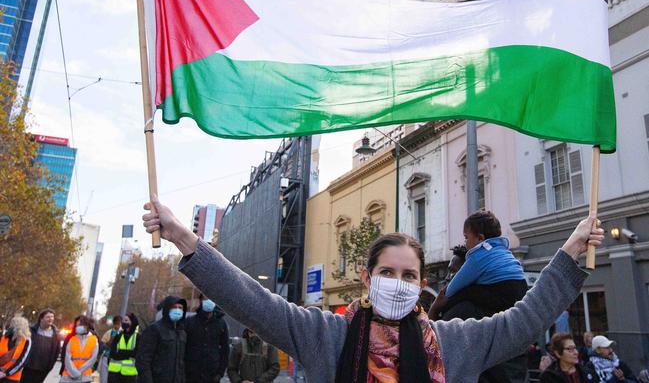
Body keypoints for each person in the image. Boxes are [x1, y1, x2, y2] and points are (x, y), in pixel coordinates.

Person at [142, 195, 604, 383]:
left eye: (408, 276)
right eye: (388, 273)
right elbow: (253, 302)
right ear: (367, 278)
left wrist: (568, 253)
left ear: (422, 285)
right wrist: (187, 239)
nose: (398, 284)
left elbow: (525, 317)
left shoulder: (457, 341)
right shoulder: (328, 334)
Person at [429, 210, 529, 383]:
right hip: (518, 288)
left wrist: (436, 307)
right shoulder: (502, 252)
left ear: (480, 238)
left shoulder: (477, 259)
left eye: (466, 238)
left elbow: (450, 291)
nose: (447, 278)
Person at [136, 296, 187, 383]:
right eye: (174, 307)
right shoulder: (154, 329)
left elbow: (181, 363)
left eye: (180, 308)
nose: (177, 310)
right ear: (167, 308)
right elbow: (143, 360)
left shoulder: (182, 333)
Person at [185, 294, 229, 383]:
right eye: (205, 299)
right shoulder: (190, 321)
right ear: (201, 302)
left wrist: (220, 373)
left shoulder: (221, 323)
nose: (208, 301)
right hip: (191, 374)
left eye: (211, 298)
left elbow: (225, 349)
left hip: (212, 374)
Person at [20, 309, 60, 383]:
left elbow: (56, 352)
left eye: (52, 317)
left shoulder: (56, 334)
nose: (51, 319)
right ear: (41, 318)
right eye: (48, 317)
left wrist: (50, 366)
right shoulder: (32, 331)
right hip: (29, 366)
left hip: (43, 368)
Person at [60, 315, 98, 383]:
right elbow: (67, 358)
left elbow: (92, 359)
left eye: (79, 325)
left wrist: (78, 372)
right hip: (68, 377)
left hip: (84, 378)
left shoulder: (94, 340)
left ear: (87, 326)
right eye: (76, 326)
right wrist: (74, 372)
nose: (77, 328)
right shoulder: (72, 339)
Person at [107, 314, 139, 383]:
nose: (124, 322)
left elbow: (137, 354)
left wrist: (120, 352)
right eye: (123, 320)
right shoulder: (118, 336)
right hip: (114, 374)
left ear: (132, 322)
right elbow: (113, 354)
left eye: (126, 320)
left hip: (130, 375)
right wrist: (128, 354)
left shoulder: (138, 337)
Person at [0, 316, 32, 382]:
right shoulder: (5, 337)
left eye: (12, 324)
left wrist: (6, 373)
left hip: (12, 377)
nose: (10, 326)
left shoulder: (26, 340)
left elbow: (22, 361)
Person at [100, 316, 122, 383]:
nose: (117, 326)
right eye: (115, 324)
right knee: (104, 378)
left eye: (118, 324)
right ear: (113, 324)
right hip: (107, 357)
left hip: (117, 359)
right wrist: (111, 339)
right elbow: (102, 345)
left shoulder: (123, 333)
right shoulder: (108, 333)